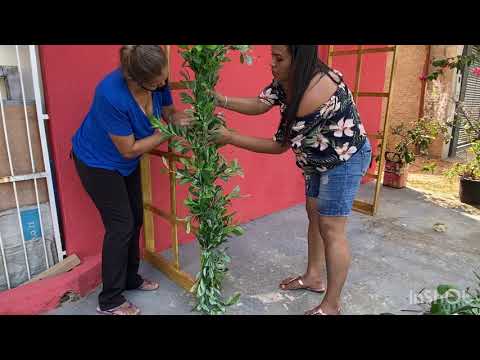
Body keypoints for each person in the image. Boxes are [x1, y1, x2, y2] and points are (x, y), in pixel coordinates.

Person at [213, 45, 372, 315]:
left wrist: (229, 136)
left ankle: (332, 306)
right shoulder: (290, 79)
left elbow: (279, 145)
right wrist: (221, 100)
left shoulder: (310, 96)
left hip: (343, 160)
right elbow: (261, 103)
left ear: (299, 59)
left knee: (332, 229)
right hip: (316, 159)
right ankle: (313, 277)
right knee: (314, 215)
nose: (271, 64)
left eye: (279, 58)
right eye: (272, 57)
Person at [71, 45, 192, 315]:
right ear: (137, 79)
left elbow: (168, 110)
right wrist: (171, 131)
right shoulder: (110, 94)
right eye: (158, 80)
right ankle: (110, 300)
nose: (164, 83)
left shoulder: (157, 80)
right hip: (97, 162)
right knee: (121, 225)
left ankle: (130, 278)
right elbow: (129, 149)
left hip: (125, 164)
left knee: (136, 217)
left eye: (165, 76)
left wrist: (180, 118)